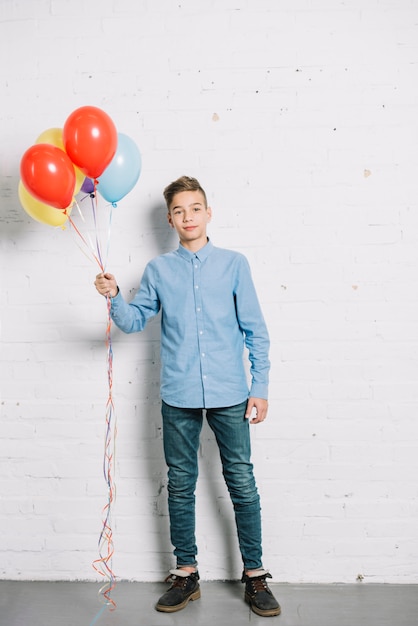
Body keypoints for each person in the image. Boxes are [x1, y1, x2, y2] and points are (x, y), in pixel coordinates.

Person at [94, 176, 280, 617]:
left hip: (231, 394)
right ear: (170, 219)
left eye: (195, 208)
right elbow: (135, 321)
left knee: (241, 483)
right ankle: (186, 573)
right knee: (180, 485)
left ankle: (254, 576)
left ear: (208, 213)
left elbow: (256, 331)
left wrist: (261, 387)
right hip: (177, 395)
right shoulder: (159, 271)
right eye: (179, 211)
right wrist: (117, 296)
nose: (188, 217)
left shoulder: (235, 264)